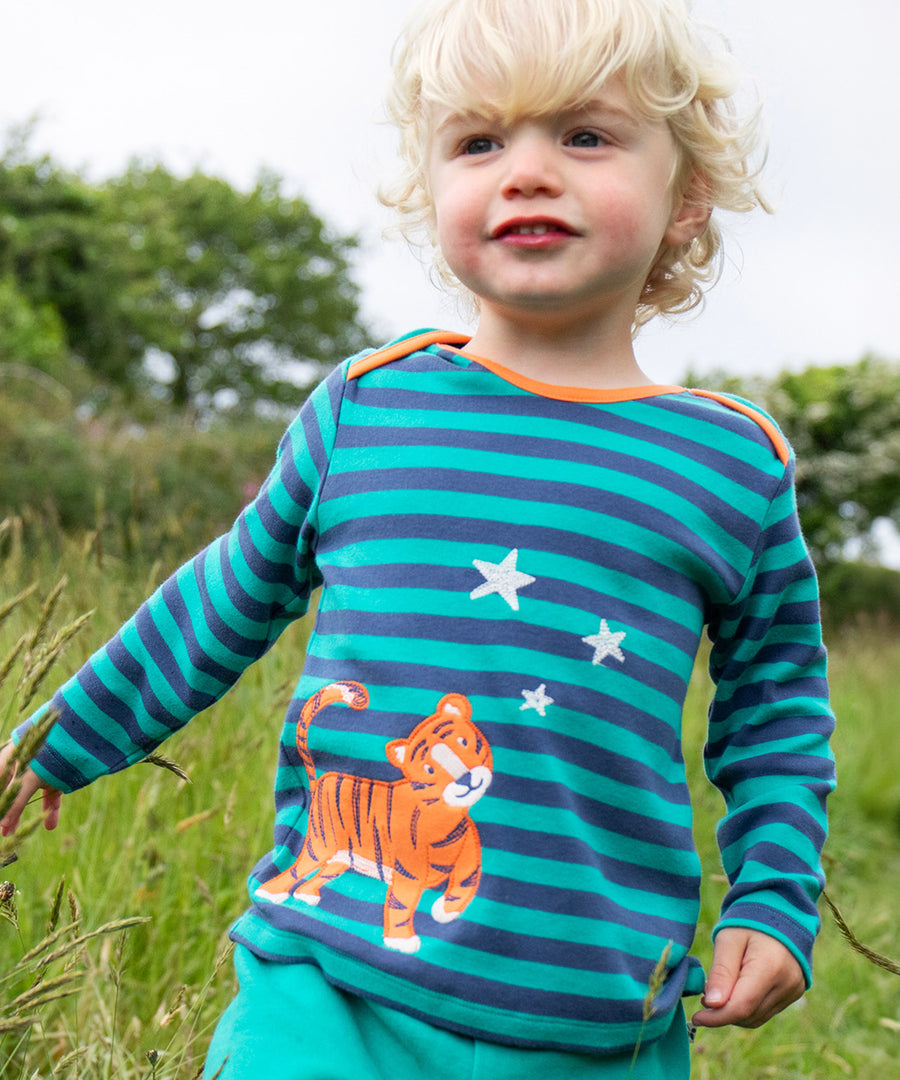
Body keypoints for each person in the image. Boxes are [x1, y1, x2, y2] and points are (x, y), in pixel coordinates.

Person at [0, 0, 836, 1076]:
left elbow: (776, 710)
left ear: (688, 199)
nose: (526, 171)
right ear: (431, 185)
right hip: (328, 985)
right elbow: (222, 601)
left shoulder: (730, 464)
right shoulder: (367, 409)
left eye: (584, 135)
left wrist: (773, 897)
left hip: (597, 1016)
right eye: (479, 142)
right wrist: (57, 741)